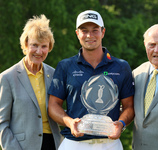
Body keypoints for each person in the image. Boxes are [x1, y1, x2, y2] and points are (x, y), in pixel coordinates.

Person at [48, 10, 134, 150]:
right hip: (73, 144)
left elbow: (129, 106)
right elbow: (53, 106)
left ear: (103, 32)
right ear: (77, 33)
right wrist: (69, 122)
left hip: (110, 144)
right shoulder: (65, 66)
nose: (89, 35)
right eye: (84, 30)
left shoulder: (121, 66)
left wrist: (121, 123)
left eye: (95, 30)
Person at [0, 14, 62, 150]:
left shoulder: (54, 74)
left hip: (53, 144)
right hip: (22, 147)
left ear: (49, 47)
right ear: (26, 44)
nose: (39, 51)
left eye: (44, 46)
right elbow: (2, 124)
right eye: (35, 45)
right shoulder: (7, 78)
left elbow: (60, 110)